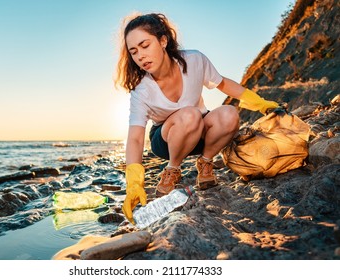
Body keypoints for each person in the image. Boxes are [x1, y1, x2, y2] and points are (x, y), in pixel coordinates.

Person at [114, 13, 279, 224]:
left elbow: (222, 84)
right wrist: (134, 183)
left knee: (229, 114)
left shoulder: (194, 60)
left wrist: (260, 103)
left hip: (200, 130)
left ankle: (206, 162)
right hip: (166, 139)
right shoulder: (141, 89)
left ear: (163, 40)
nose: (140, 56)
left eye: (145, 45)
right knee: (190, 114)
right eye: (134, 52)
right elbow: (136, 138)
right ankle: (172, 170)